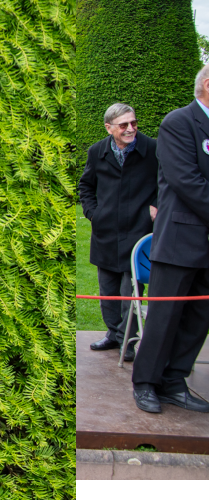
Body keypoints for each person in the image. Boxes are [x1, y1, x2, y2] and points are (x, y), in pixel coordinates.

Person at [131, 65, 209, 414]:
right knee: (164, 317)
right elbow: (187, 181)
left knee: (198, 318)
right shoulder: (179, 122)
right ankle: (146, 382)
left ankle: (175, 381)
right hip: (180, 239)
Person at [78, 102, 158, 361]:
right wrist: (93, 214)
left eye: (133, 123)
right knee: (108, 292)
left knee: (130, 293)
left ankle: (127, 341)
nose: (130, 129)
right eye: (124, 125)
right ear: (109, 127)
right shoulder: (97, 151)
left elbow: (166, 181)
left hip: (138, 231)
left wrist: (156, 206)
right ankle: (113, 335)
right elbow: (86, 186)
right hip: (106, 233)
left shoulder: (153, 149)